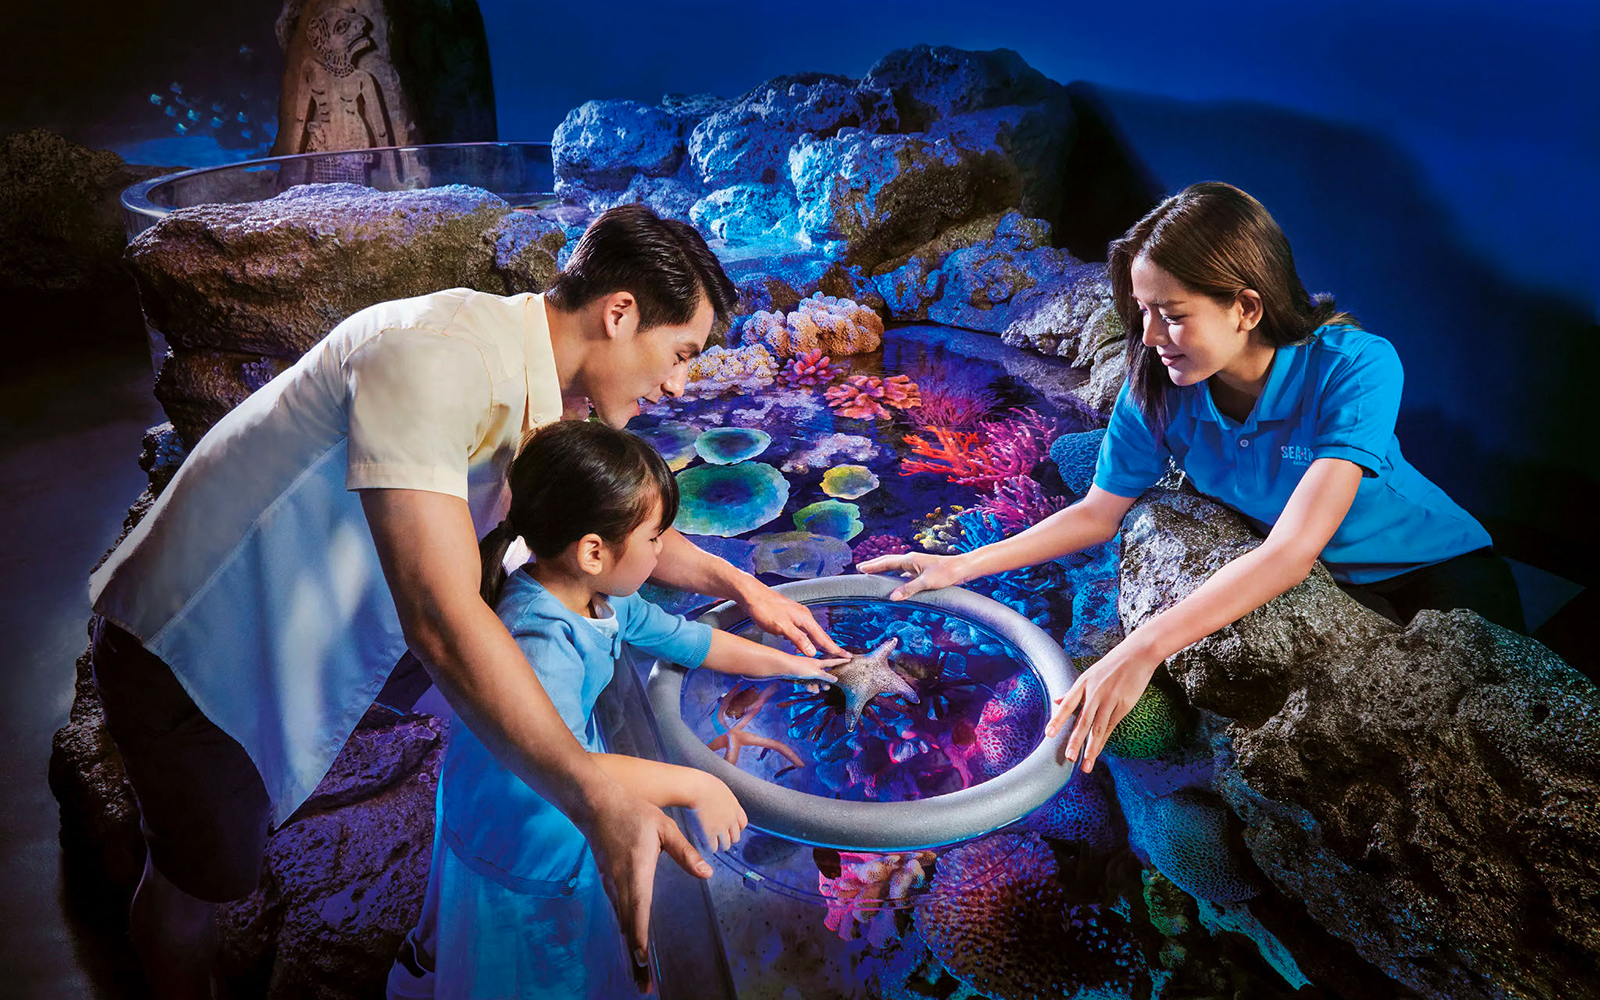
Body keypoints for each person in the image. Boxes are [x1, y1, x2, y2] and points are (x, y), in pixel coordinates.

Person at [86, 203, 846, 999]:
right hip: (197, 646)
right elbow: (442, 618)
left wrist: (747, 587)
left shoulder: (545, 389)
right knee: (198, 885)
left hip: (313, 629)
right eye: (681, 352)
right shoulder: (434, 359)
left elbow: (618, 527)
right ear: (619, 313)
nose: (680, 382)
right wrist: (594, 794)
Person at [859, 181, 1525, 775]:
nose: (1149, 335)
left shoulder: (1357, 366)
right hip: (1324, 586)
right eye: (1142, 311)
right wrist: (960, 565)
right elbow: (1098, 511)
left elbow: (1293, 549)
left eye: (1172, 313)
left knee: (1504, 727)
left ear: (1247, 307)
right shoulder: (1156, 387)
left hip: (1431, 565)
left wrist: (1142, 649)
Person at [402, 419, 846, 999]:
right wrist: (693, 784)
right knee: (532, 963)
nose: (665, 551)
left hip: (514, 789)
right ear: (593, 551)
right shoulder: (540, 638)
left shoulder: (595, 594)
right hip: (523, 825)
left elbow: (690, 639)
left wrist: (798, 665)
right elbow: (561, 766)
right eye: (656, 537)